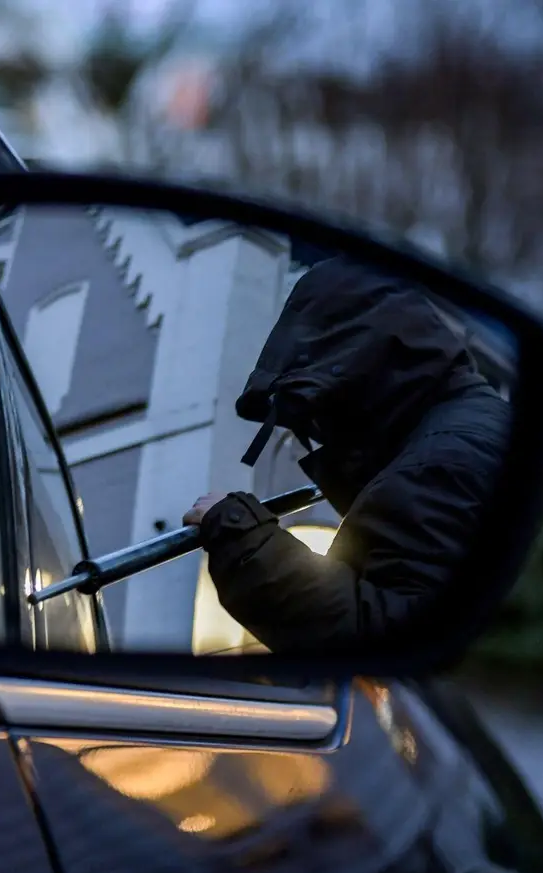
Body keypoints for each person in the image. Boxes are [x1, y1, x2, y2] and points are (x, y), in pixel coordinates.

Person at [181, 257, 511, 653]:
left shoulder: (436, 464)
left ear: (355, 376)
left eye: (321, 408)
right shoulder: (468, 423)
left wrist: (236, 530)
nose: (321, 430)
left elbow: (377, 637)